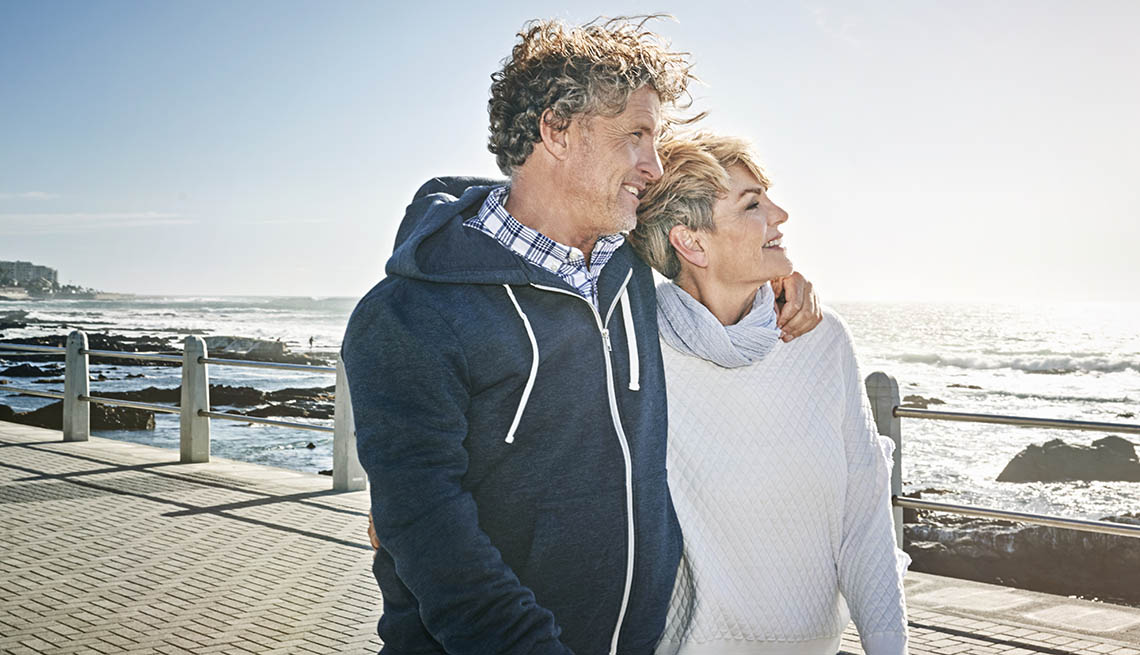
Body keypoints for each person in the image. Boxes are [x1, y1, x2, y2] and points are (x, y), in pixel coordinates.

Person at [343, 17, 820, 655]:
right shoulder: (410, 314)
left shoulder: (628, 268)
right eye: (636, 137)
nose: (653, 166)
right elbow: (427, 526)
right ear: (557, 130)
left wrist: (778, 282)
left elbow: (714, 259)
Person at [628, 133, 909, 655]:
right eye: (752, 204)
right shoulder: (639, 353)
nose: (780, 214)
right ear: (692, 242)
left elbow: (866, 512)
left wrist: (888, 646)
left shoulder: (821, 339)